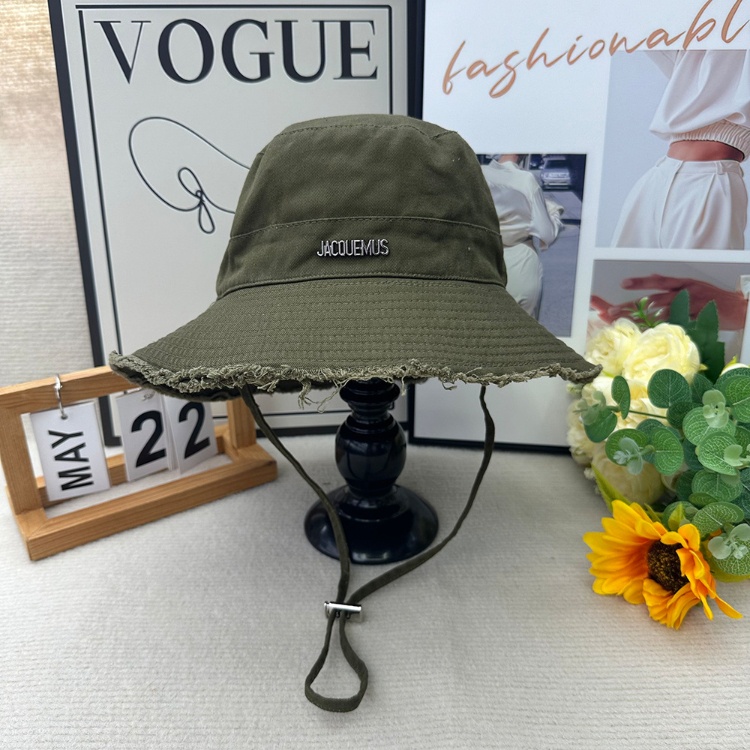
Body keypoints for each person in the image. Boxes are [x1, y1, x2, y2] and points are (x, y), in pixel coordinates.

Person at [612, 50, 750, 250]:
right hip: (657, 179)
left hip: (709, 181)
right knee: (619, 270)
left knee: (700, 271)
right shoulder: (701, 34)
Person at [481, 154, 563, 317]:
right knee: (523, 328)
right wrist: (554, 212)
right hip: (520, 264)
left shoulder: (478, 174)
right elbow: (547, 234)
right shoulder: (525, 180)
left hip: (483, 260)